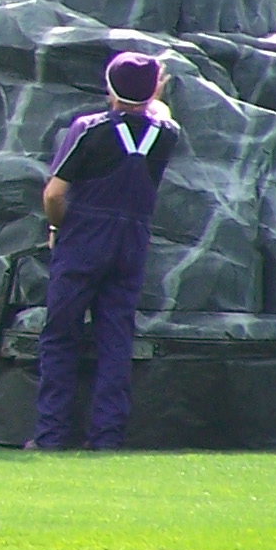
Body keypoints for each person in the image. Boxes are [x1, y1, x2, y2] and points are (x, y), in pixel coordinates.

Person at [30, 53, 181, 450]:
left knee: (61, 336)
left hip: (84, 237)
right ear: (152, 90)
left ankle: (51, 436)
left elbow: (55, 193)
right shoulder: (165, 133)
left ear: (109, 88)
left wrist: (58, 226)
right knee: (115, 340)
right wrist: (152, 96)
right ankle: (106, 438)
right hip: (131, 240)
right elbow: (158, 111)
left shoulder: (88, 129)